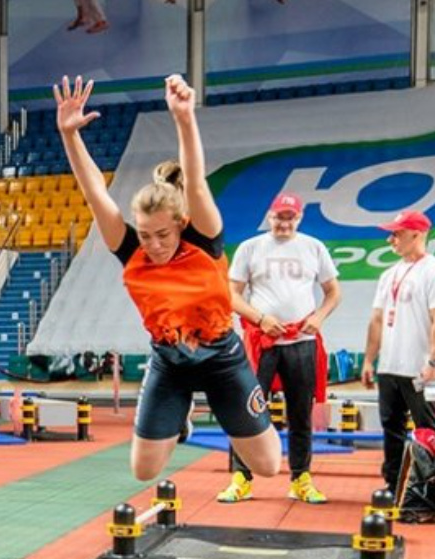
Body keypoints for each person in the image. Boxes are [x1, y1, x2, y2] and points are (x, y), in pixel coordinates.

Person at [56, 73, 280, 482]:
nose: (154, 244)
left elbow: (195, 183)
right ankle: (180, 417)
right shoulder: (131, 250)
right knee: (144, 471)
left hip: (221, 358)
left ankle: (207, 411)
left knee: (267, 466)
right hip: (169, 360)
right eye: (145, 235)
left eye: (162, 234)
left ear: (180, 224)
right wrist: (70, 135)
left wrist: (184, 118)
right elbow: (94, 194)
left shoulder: (204, 240)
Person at [219, 192, 341, 504]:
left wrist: (319, 316)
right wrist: (260, 319)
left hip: (302, 343)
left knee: (300, 414)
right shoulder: (250, 248)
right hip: (262, 343)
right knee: (246, 411)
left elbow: (333, 292)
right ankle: (241, 479)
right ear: (269, 216)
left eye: (290, 217)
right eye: (279, 217)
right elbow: (231, 295)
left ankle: (301, 478)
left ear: (299, 218)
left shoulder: (314, 247)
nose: (284, 223)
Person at [362, 210, 435, 489]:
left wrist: (434, 362)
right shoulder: (388, 274)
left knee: (427, 431)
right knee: (391, 429)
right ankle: (394, 486)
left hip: (419, 368)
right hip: (389, 366)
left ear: (417, 234)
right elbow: (377, 320)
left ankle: (430, 490)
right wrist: (369, 360)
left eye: (396, 234)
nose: (390, 240)